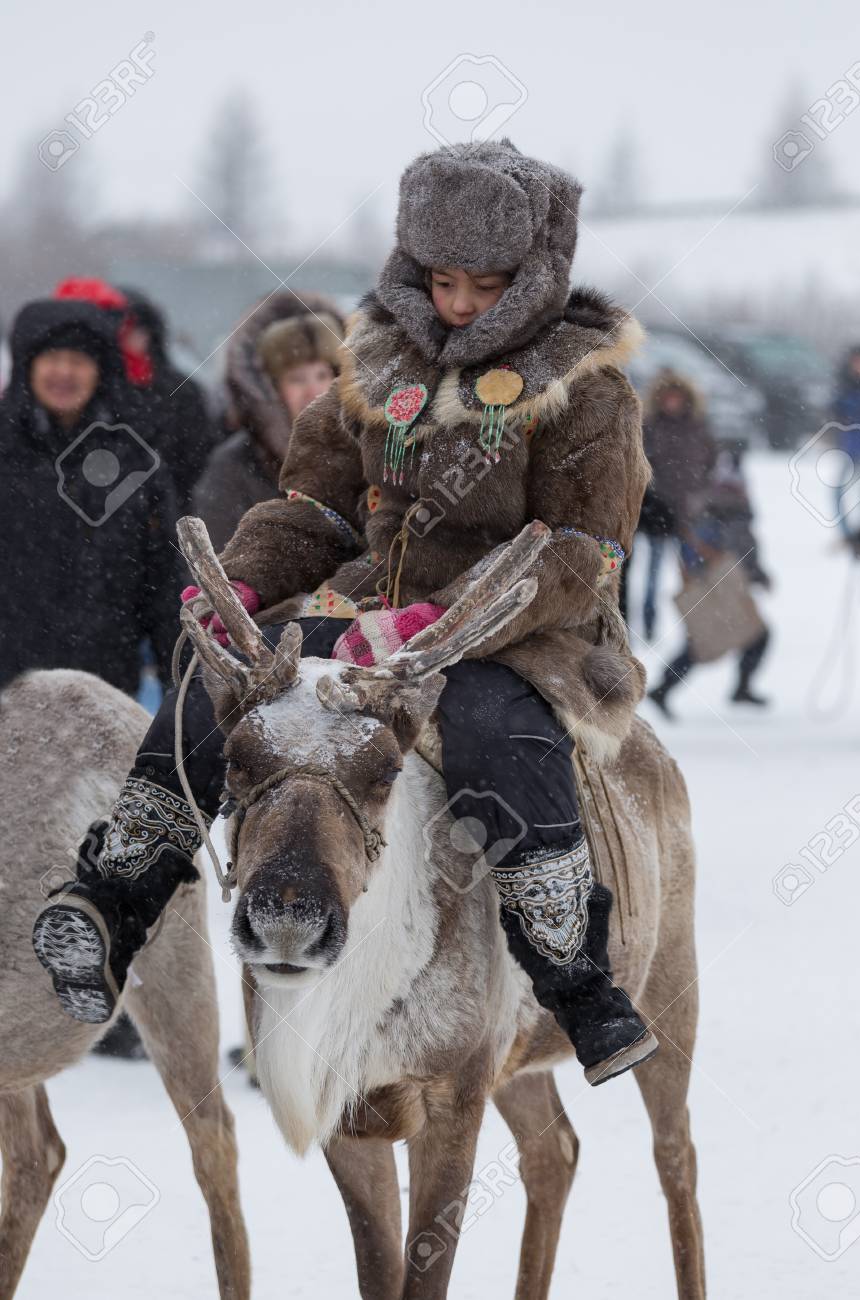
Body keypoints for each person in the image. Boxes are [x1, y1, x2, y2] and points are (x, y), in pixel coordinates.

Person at [34, 139, 660, 1087]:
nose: (456, 304)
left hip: (525, 634)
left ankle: (575, 979)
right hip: (363, 615)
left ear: (531, 278)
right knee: (217, 690)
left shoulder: (587, 390)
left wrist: (442, 619)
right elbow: (316, 508)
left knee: (495, 734)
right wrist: (245, 580)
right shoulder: (371, 365)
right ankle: (113, 902)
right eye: (441, 279)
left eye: (482, 285)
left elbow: (582, 554)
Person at [0, 296, 183, 695]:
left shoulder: (134, 460)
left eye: (79, 360)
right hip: (8, 686)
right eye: (52, 358)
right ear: (27, 366)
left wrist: (182, 693)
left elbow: (166, 585)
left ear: (101, 371)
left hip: (105, 688)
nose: (64, 372)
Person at [193, 293, 344, 550]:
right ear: (271, 389)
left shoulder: (367, 453)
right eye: (297, 379)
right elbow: (213, 564)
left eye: (322, 374)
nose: (314, 390)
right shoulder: (236, 467)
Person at [55, 279, 217, 514]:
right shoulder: (94, 393)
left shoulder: (182, 392)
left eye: (138, 330)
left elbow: (197, 465)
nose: (131, 340)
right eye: (122, 332)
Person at [648, 440, 772, 718]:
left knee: (751, 636)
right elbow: (702, 551)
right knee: (709, 643)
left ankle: (735, 688)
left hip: (728, 584)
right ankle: (666, 688)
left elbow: (744, 547)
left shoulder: (727, 508)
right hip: (717, 585)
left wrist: (756, 571)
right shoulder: (714, 511)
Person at [636, 370, 718, 640]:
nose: (672, 403)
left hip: (690, 513)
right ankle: (649, 623)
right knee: (653, 575)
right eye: (667, 398)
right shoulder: (649, 427)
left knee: (692, 574)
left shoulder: (698, 428)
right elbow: (641, 467)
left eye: (676, 398)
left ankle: (696, 627)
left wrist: (699, 498)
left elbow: (710, 465)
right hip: (659, 514)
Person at [829, 345, 860, 540]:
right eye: (856, 361)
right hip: (851, 449)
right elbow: (837, 410)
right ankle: (847, 536)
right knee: (837, 492)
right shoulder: (845, 385)